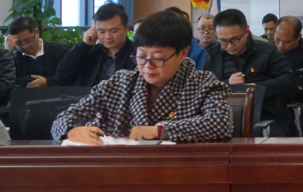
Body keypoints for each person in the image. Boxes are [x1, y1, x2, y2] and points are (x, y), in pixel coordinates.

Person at [53, 10, 233, 144]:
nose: (147, 66)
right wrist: (71, 131)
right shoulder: (121, 82)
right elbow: (63, 118)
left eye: (158, 58)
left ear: (183, 53)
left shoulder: (203, 83)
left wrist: (158, 131)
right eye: (141, 57)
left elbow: (221, 123)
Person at [203, 8, 296, 131]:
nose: (229, 46)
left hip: (265, 113)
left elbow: (289, 80)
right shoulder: (212, 56)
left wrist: (256, 87)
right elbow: (203, 89)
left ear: (246, 31)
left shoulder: (267, 51)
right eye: (223, 41)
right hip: (221, 116)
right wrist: (227, 84)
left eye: (235, 39)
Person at [57, 2, 136, 87]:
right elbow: (61, 77)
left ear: (126, 28)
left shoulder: (137, 53)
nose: (107, 36)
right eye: (101, 32)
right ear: (94, 30)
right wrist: (84, 45)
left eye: (113, 31)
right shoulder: (91, 52)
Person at [6, 16, 71, 88]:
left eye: (28, 40)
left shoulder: (60, 50)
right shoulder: (13, 59)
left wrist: (48, 82)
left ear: (37, 32)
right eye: (18, 43)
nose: (24, 46)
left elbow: (70, 78)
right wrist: (7, 51)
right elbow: (5, 82)